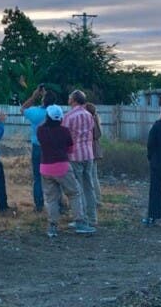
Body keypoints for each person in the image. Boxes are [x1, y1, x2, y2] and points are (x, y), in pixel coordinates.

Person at [37, 104, 94, 237]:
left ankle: (52, 226)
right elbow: (70, 149)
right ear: (60, 118)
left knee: (51, 198)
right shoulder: (64, 131)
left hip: (45, 167)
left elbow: (41, 139)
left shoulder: (40, 130)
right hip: (62, 167)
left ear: (47, 117)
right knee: (74, 193)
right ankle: (79, 222)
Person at [63, 89, 98, 230]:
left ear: (74, 100)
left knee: (78, 188)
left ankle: (81, 218)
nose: (68, 99)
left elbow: (64, 135)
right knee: (89, 186)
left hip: (74, 155)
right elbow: (92, 130)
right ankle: (92, 217)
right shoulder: (89, 115)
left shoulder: (69, 116)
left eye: (70, 97)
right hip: (88, 154)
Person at [20, 84, 53, 212]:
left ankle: (39, 206)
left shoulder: (35, 113)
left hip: (38, 147)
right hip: (53, 148)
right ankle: (58, 204)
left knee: (38, 178)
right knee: (55, 176)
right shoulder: (56, 112)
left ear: (42, 100)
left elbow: (22, 108)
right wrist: (46, 96)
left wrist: (34, 96)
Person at [84, 102, 103, 206]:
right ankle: (97, 199)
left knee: (92, 176)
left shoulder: (90, 120)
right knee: (93, 175)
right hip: (94, 149)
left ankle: (96, 200)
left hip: (91, 149)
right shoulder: (95, 119)